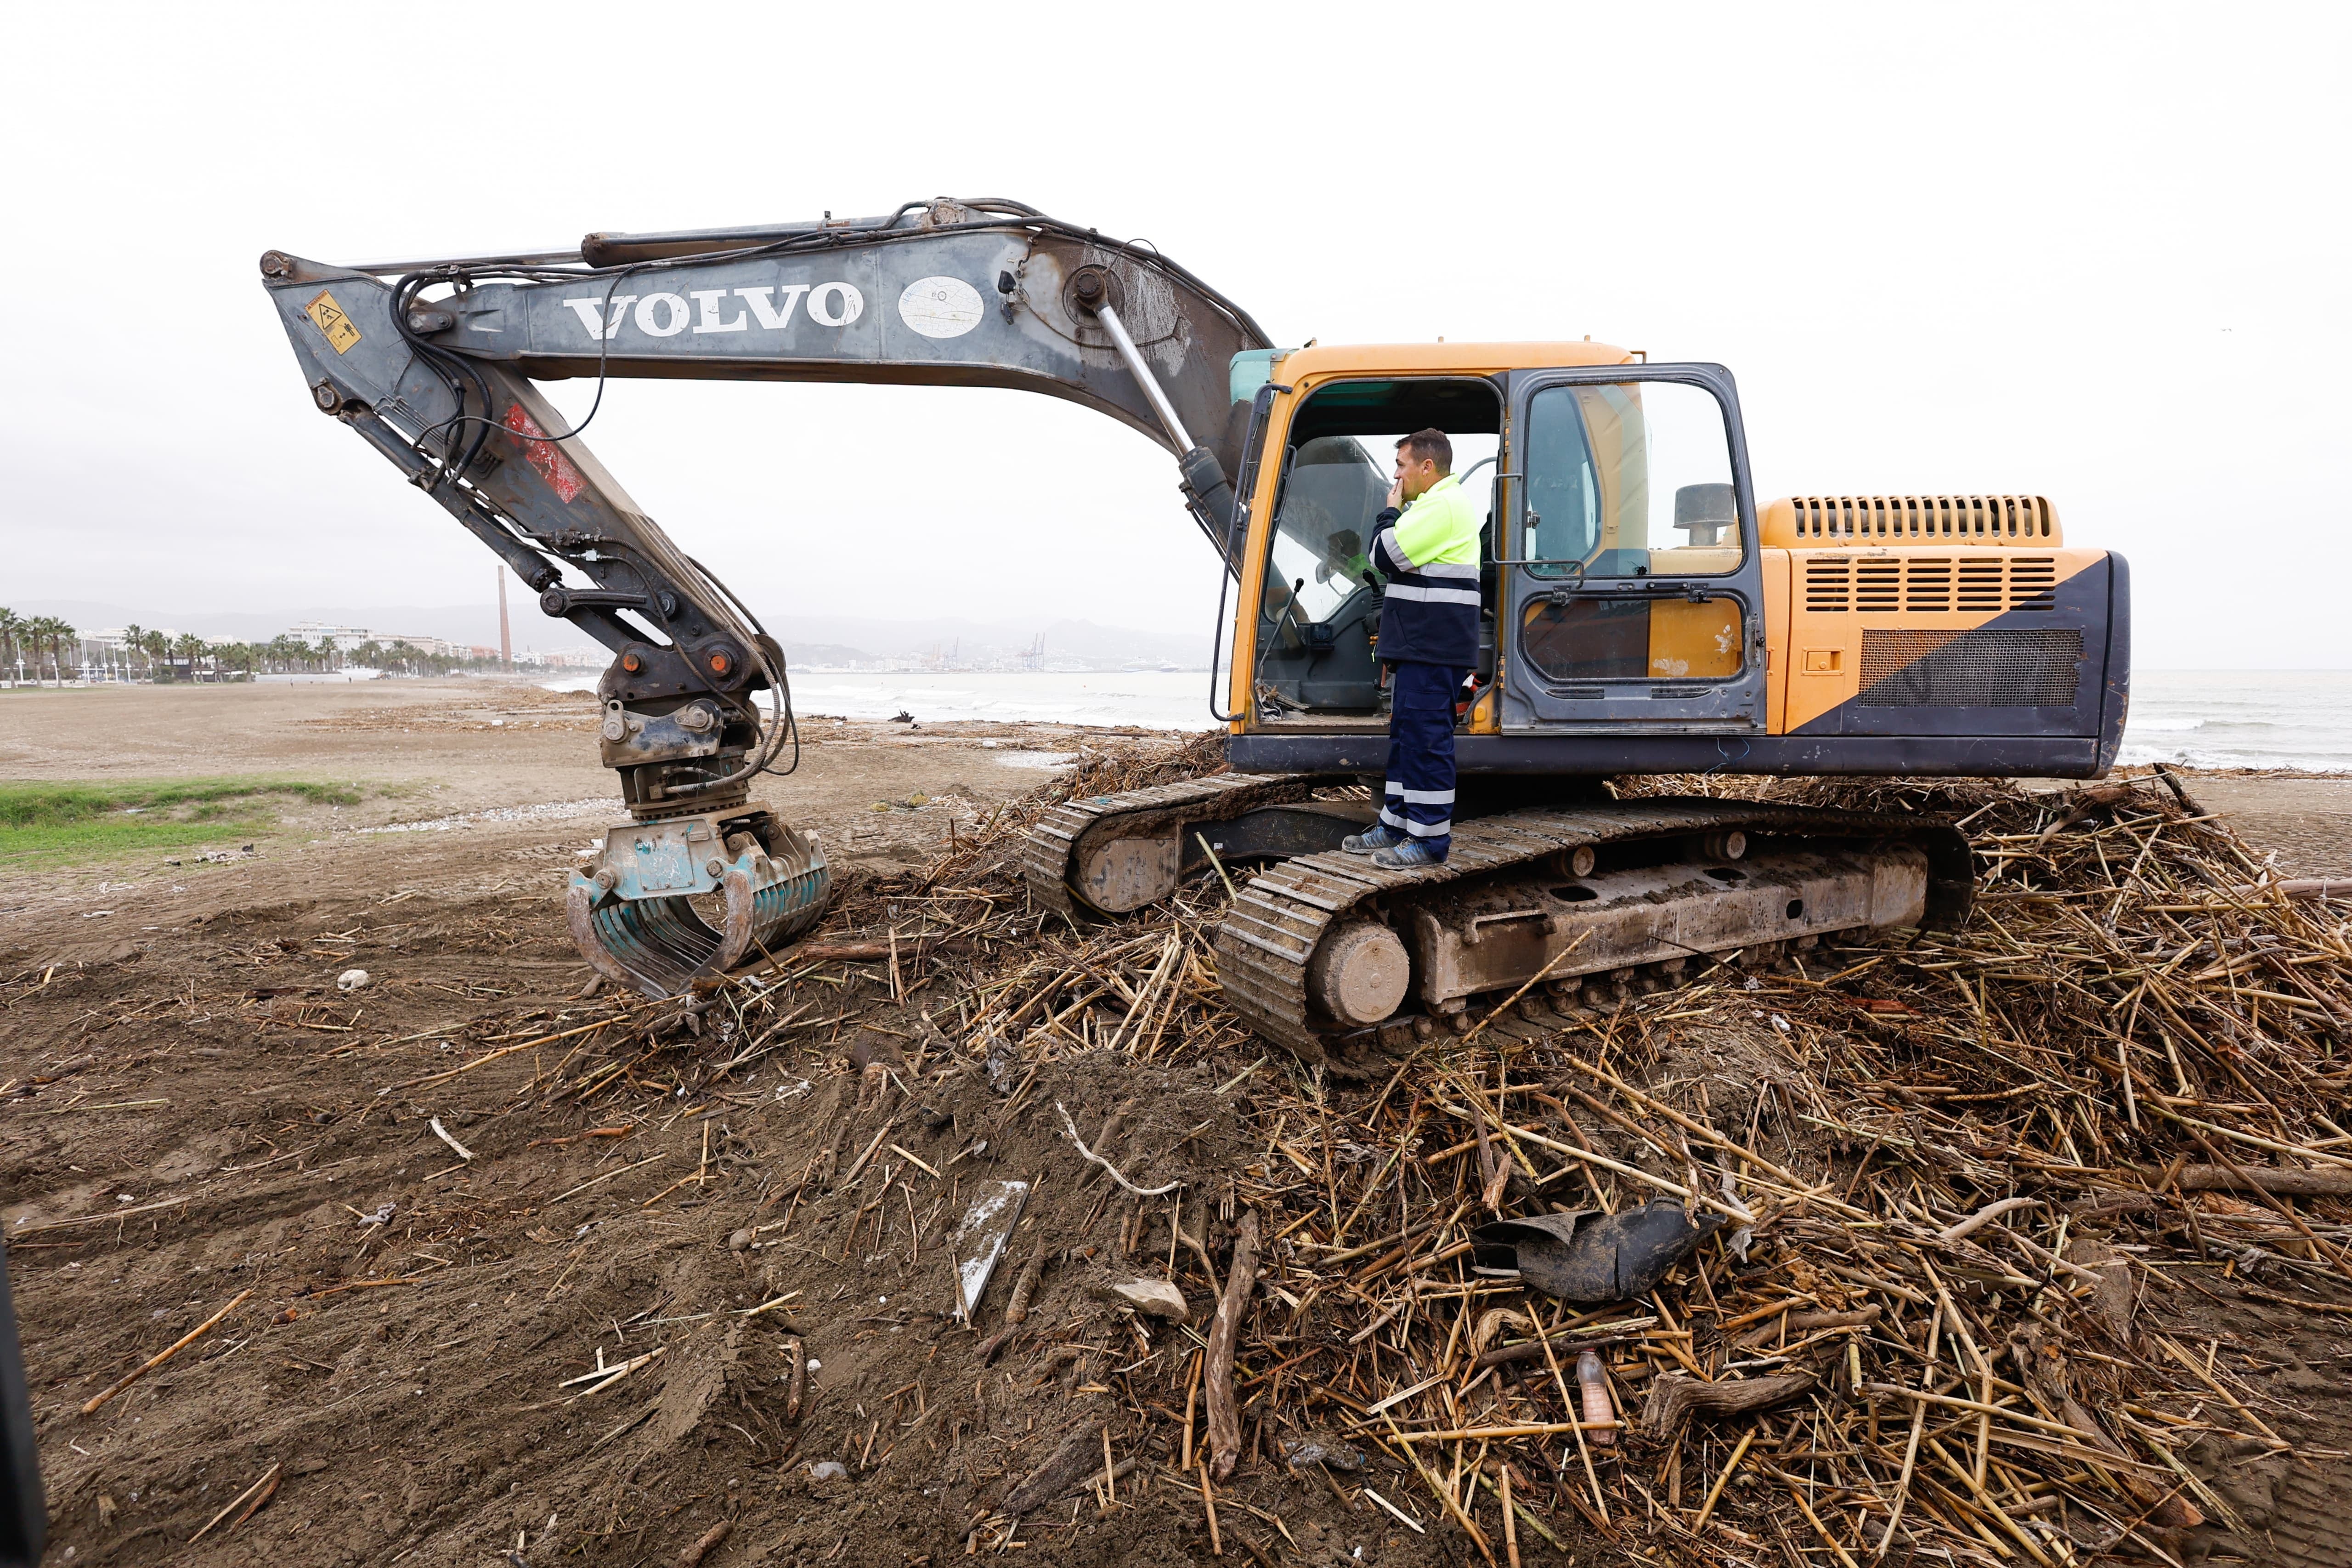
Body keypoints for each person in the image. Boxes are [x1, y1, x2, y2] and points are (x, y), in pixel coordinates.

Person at [1342, 429, 1482, 868]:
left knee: (1427, 742)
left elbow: (1384, 556)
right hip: (1421, 645)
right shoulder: (1432, 507)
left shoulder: (1442, 505)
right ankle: (1398, 824)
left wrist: (1389, 513)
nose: (1396, 475)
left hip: (1432, 647)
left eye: (1402, 465)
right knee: (1406, 737)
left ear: (1427, 466)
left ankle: (1428, 841)